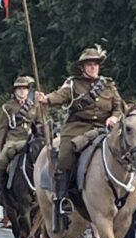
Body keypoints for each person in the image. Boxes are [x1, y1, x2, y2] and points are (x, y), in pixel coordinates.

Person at [36, 45, 122, 213]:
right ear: (82, 67)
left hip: (105, 128)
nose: (93, 67)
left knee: (130, 150)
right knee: (65, 156)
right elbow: (60, 95)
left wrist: (114, 117)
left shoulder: (109, 86)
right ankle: (63, 197)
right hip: (78, 127)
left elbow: (119, 106)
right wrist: (46, 99)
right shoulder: (73, 84)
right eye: (89, 64)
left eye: (96, 64)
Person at [0, 76, 41, 206]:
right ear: (15, 91)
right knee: (2, 161)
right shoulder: (7, 107)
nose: (22, 91)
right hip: (13, 140)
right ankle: (0, 192)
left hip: (30, 139)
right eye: (19, 89)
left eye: (24, 89)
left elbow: (40, 123)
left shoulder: (35, 105)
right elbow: (3, 128)